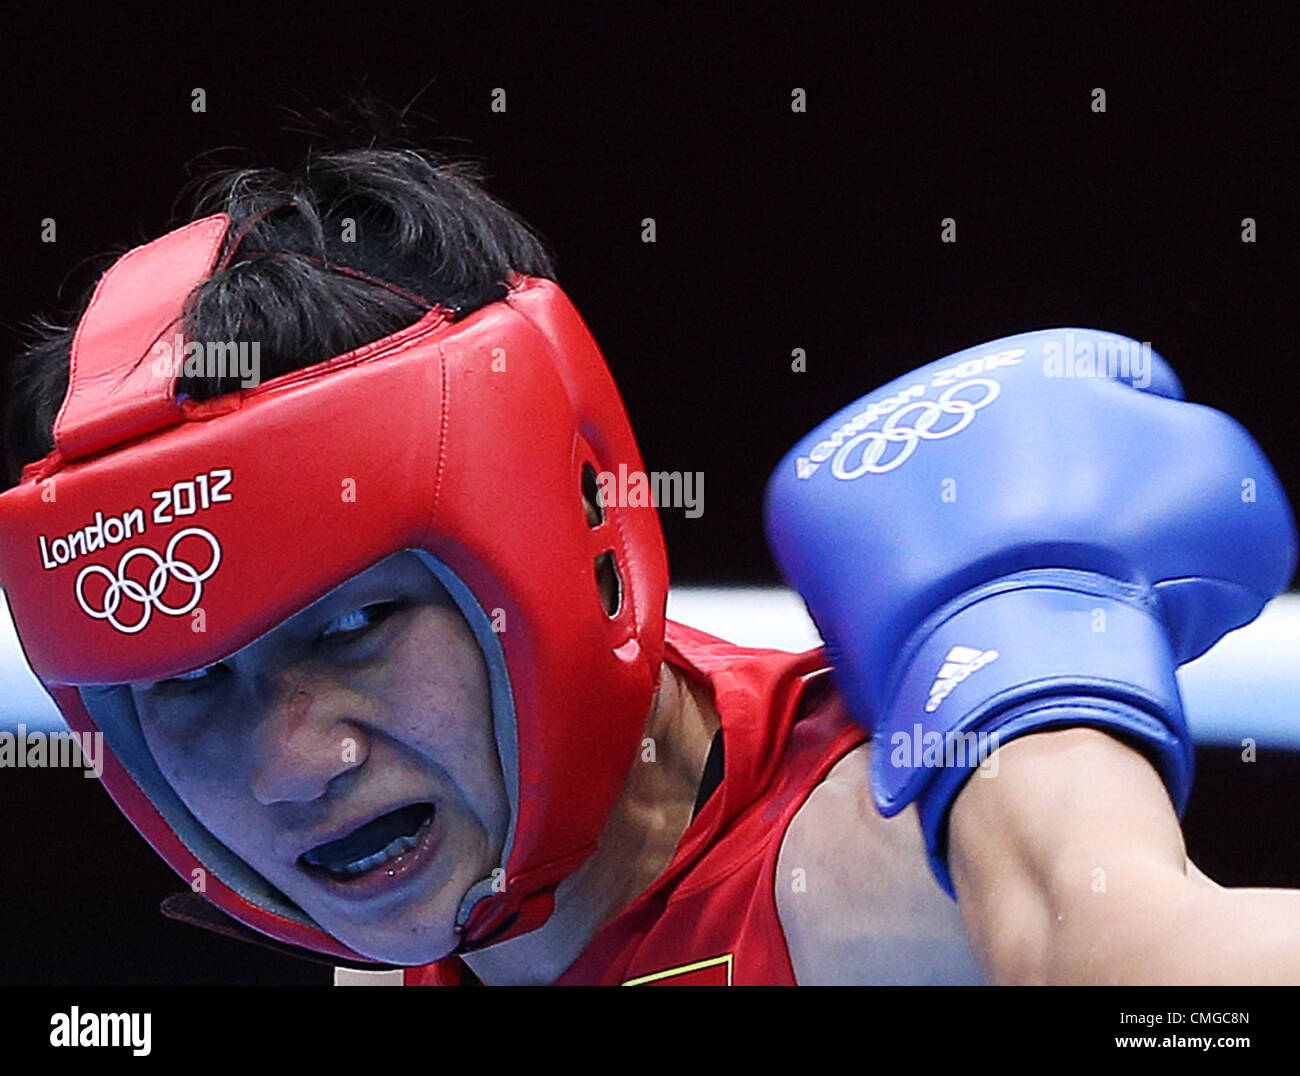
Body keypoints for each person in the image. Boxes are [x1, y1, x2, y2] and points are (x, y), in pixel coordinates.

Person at [0, 148, 1295, 985]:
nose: (289, 766)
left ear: (538, 558)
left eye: (356, 628)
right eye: (188, 687)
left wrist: (1035, 691)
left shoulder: (876, 864)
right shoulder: (411, 928)